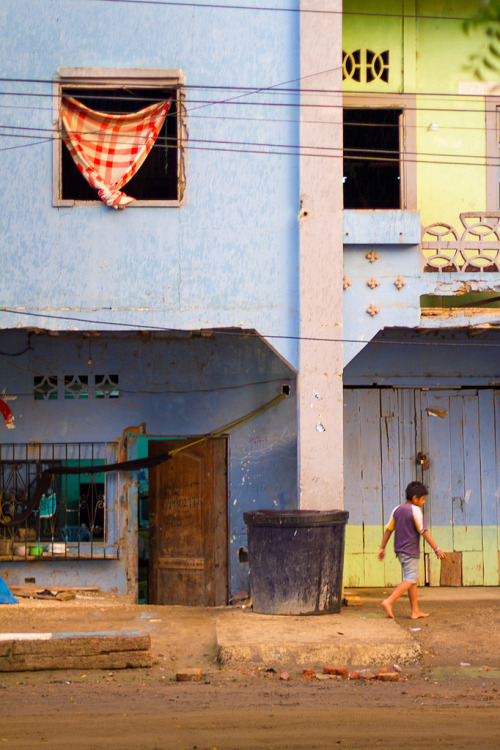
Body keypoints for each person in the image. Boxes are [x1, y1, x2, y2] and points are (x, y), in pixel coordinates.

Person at [378, 480, 446, 619]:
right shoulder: (416, 511)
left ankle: (415, 611)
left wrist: (382, 547)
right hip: (410, 551)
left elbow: (388, 530)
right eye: (423, 499)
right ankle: (389, 601)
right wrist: (436, 548)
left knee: (413, 579)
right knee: (410, 579)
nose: (424, 502)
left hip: (400, 551)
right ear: (415, 498)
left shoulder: (396, 510)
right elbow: (424, 531)